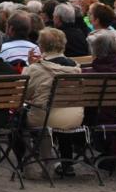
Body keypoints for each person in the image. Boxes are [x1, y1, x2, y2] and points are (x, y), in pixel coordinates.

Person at [23, 27, 83, 177]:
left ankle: (30, 164)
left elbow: (24, 94)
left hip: (45, 118)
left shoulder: (36, 69)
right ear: (63, 44)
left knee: (22, 119)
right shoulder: (75, 67)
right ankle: (66, 164)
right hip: (74, 116)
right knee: (58, 110)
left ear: (41, 46)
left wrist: (29, 66)